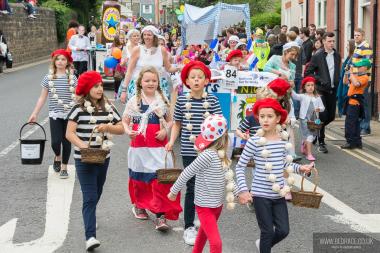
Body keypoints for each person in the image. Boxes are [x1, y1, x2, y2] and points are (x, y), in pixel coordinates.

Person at [235, 98, 313, 253]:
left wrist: (300, 168)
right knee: (267, 232)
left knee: (284, 230)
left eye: (269, 116)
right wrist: (244, 190)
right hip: (260, 195)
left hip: (278, 195)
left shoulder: (283, 140)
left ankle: (262, 245)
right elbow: (240, 166)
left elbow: (284, 164)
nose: (265, 119)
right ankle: (264, 246)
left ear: (278, 118)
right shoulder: (254, 142)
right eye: (262, 116)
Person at [66, 71, 124, 251]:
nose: (100, 89)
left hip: (103, 158)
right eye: (95, 86)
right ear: (86, 88)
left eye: (100, 85)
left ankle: (90, 214)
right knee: (89, 196)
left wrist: (108, 127)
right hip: (84, 159)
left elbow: (121, 128)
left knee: (97, 191)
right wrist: (84, 146)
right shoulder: (78, 108)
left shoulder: (108, 107)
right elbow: (69, 133)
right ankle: (90, 236)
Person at [165, 61, 222, 246]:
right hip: (190, 149)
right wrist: (172, 142)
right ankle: (189, 225)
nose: (196, 80)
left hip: (211, 151)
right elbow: (177, 124)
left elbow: (220, 124)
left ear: (206, 80)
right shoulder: (182, 100)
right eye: (192, 77)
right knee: (191, 186)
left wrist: (222, 147)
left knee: (208, 184)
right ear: (187, 81)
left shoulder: (212, 100)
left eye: (200, 77)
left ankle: (203, 216)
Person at [122, 66, 182, 230]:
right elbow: (125, 121)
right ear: (140, 82)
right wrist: (128, 132)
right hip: (139, 147)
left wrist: (165, 130)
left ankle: (160, 215)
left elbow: (170, 121)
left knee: (159, 180)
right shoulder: (134, 101)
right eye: (147, 80)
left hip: (158, 147)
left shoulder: (162, 100)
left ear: (158, 83)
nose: (151, 83)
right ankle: (139, 205)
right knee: (140, 179)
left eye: (154, 80)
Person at [168, 115, 233, 253]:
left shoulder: (222, 154)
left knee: (203, 235)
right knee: (216, 244)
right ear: (224, 136)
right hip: (204, 206)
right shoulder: (207, 155)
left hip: (217, 205)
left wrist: (240, 193)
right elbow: (187, 173)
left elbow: (229, 177)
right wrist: (174, 191)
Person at [28, 49, 77, 178]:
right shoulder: (48, 78)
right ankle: (58, 156)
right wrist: (35, 113)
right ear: (54, 61)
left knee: (67, 141)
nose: (60, 62)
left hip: (70, 114)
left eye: (63, 59)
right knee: (55, 142)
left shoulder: (72, 77)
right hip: (55, 114)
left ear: (67, 62)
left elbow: (77, 96)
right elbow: (42, 97)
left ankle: (65, 167)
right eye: (57, 59)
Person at [120, 25, 180, 103]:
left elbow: (168, 68)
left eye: (149, 35)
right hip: (139, 87)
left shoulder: (162, 50)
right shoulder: (137, 50)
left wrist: (179, 67)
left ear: (154, 36)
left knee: (159, 113)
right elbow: (129, 71)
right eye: (144, 35)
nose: (146, 37)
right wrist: (124, 90)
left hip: (158, 87)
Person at [305, 32, 341, 153]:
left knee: (330, 116)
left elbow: (336, 71)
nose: (332, 43)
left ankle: (314, 131)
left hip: (332, 89)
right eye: (329, 41)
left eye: (333, 41)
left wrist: (337, 81)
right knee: (323, 115)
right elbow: (308, 72)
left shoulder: (337, 55)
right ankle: (321, 142)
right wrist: (320, 80)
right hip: (321, 90)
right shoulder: (317, 55)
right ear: (324, 42)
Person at [291, 76, 325, 161]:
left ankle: (304, 143)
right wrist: (290, 86)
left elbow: (322, 107)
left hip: (314, 120)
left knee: (313, 136)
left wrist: (319, 109)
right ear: (304, 87)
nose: (310, 87)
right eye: (308, 85)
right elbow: (294, 96)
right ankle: (309, 154)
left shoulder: (317, 97)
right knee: (309, 136)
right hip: (304, 119)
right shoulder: (303, 96)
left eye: (312, 85)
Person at [341, 59, 371, 149]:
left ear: (365, 68)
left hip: (355, 103)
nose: (357, 68)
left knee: (350, 123)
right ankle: (357, 142)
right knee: (355, 123)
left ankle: (350, 142)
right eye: (357, 66)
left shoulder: (365, 77)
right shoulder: (356, 75)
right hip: (350, 102)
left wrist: (351, 72)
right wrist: (346, 73)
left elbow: (356, 84)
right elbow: (345, 82)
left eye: (359, 66)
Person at [351, 28, 373, 136]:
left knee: (364, 104)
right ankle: (361, 126)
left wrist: (354, 65)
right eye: (355, 35)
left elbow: (367, 63)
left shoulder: (366, 47)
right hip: (356, 79)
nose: (356, 37)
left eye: (358, 35)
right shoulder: (358, 47)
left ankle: (365, 127)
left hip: (363, 80)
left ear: (363, 36)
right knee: (359, 104)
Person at [337, 39, 355, 117]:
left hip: (347, 83)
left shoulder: (353, 58)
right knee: (343, 100)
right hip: (343, 81)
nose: (347, 47)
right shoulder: (349, 57)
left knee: (346, 101)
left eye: (348, 45)